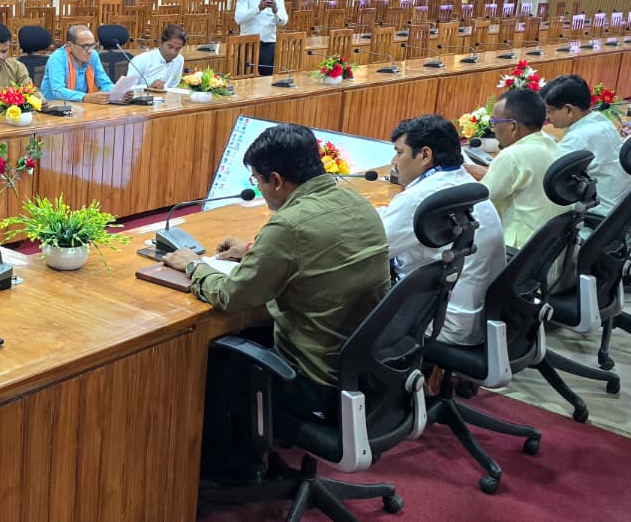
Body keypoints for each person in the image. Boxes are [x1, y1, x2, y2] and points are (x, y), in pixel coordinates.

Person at [161, 123, 389, 417]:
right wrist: (253, 252)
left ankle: (235, 449)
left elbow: (231, 296)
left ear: (277, 181)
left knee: (216, 358)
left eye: (257, 180)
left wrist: (194, 265)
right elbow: (317, 254)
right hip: (362, 371)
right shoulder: (356, 201)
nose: (258, 187)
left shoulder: (288, 225)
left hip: (316, 382)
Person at [381, 115, 504, 346]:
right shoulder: (467, 184)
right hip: (484, 318)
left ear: (425, 155)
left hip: (441, 322)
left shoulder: (418, 199)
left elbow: (372, 250)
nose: (394, 162)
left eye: (399, 153)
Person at [464, 88, 565, 248]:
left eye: (494, 122)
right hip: (553, 248)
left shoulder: (512, 156)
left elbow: (479, 203)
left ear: (513, 126)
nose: (492, 129)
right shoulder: (551, 143)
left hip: (521, 252)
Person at [544, 74, 629, 216]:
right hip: (619, 210)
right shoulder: (601, 120)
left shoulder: (578, 137)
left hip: (596, 216)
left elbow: (549, 176)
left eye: (549, 111)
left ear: (569, 110)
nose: (547, 117)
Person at [235, 0, 290, 77]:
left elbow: (284, 22)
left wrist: (275, 10)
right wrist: (258, 8)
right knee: (244, 80)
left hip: (268, 45)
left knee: (266, 80)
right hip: (247, 44)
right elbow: (238, 19)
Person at [40, 25, 114, 104]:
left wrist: (117, 93)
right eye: (85, 46)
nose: (90, 51)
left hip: (83, 106)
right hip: (55, 107)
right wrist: (85, 97)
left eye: (92, 46)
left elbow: (105, 83)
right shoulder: (57, 58)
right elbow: (58, 91)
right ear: (70, 45)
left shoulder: (93, 55)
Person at [125, 24, 186, 90]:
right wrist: (147, 88)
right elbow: (128, 89)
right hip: (142, 96)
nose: (173, 52)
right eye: (170, 47)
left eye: (177, 49)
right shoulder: (140, 60)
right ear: (160, 43)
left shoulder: (179, 60)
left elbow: (173, 86)